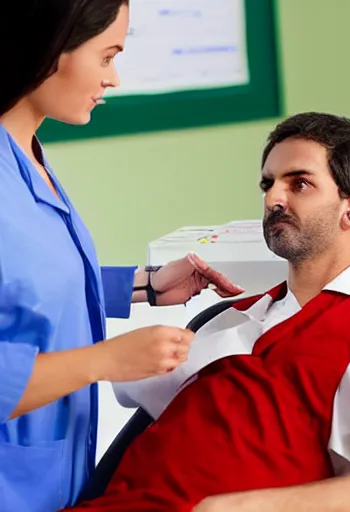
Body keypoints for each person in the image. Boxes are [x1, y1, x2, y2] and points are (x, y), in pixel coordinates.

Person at [69, 112, 350, 512]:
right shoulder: (226, 320)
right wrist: (142, 291)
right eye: (268, 184)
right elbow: (111, 376)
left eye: (299, 183)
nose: (273, 198)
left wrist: (238, 508)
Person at [0, 2, 243, 511]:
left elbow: (27, 279)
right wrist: (106, 361)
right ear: (52, 47)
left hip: (54, 478)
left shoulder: (27, 154)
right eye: (107, 56)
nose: (114, 79)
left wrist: (144, 285)